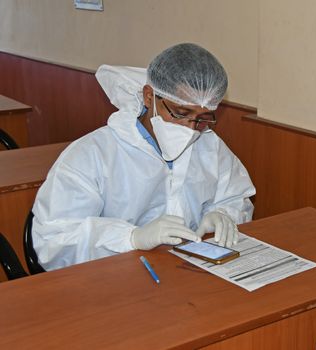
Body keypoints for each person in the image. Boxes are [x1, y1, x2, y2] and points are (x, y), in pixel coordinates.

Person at [32, 43, 256, 271]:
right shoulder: (93, 154)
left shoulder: (209, 145)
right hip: (114, 279)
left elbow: (235, 197)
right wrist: (131, 238)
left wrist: (221, 215)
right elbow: (54, 240)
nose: (190, 127)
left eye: (204, 117)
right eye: (181, 113)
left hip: (185, 273)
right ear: (149, 96)